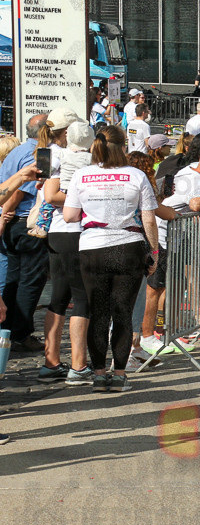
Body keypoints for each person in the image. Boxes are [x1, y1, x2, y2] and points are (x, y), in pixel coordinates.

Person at [63, 125, 160, 393]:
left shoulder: (82, 175)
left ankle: (98, 374)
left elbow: (70, 216)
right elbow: (149, 219)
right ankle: (119, 375)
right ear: (123, 145)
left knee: (99, 313)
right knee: (123, 313)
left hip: (93, 246)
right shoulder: (136, 175)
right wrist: (154, 253)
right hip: (128, 246)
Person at [40, 121, 94, 384]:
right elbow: (52, 196)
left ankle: (51, 363)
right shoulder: (94, 162)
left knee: (58, 297)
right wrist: (81, 197)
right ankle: (78, 365)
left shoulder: (57, 158)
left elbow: (50, 194)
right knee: (82, 298)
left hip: (59, 232)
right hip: (81, 232)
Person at [0, 113, 52, 353]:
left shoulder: (17, 151)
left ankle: (9, 329)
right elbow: (19, 192)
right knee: (28, 281)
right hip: (26, 224)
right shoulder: (35, 156)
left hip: (15, 224)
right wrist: (3, 217)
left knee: (15, 278)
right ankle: (19, 333)